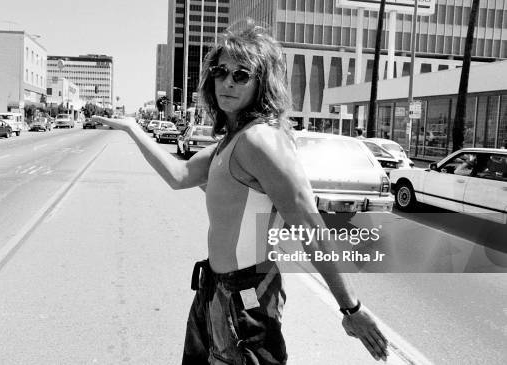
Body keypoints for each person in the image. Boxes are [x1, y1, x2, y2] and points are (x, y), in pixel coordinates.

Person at [96, 22, 388, 364]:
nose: (228, 82)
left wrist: (350, 308)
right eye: (221, 72)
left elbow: (309, 223)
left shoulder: (258, 140)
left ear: (261, 83)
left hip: (245, 296)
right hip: (215, 288)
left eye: (241, 74)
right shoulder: (232, 141)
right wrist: (132, 128)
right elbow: (179, 175)